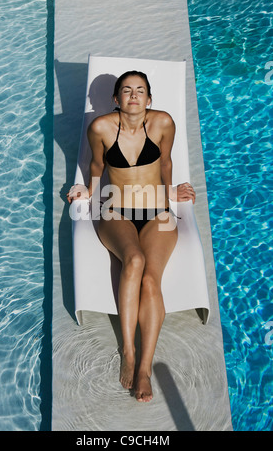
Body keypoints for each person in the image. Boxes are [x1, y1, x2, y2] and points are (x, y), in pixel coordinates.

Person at [67, 71, 195, 402]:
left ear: (149, 98)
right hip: (115, 211)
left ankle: (144, 368)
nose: (134, 95)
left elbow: (165, 163)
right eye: (126, 90)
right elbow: (97, 166)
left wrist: (173, 192)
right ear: (116, 99)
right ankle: (127, 349)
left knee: (151, 281)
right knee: (134, 260)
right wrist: (86, 191)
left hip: (158, 214)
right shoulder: (101, 128)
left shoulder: (164, 123)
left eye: (140, 90)